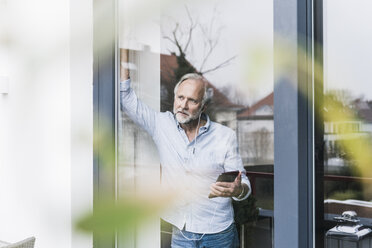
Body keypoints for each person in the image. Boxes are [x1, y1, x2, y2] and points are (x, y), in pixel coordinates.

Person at [120, 49, 251, 248]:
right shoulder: (161, 125)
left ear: (203, 107)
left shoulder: (224, 136)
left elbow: (244, 184)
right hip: (181, 231)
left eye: (192, 100)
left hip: (218, 233)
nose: (183, 105)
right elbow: (127, 100)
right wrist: (123, 52)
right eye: (180, 98)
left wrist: (238, 189)